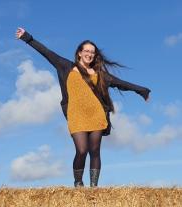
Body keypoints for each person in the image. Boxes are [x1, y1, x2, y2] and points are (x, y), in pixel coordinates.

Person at [16, 27, 151, 187]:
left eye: (92, 52)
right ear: (79, 53)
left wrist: (142, 91)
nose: (89, 54)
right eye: (86, 51)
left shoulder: (100, 74)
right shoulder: (65, 66)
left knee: (95, 152)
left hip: (97, 115)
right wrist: (27, 37)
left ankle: (94, 187)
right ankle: (78, 183)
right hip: (76, 115)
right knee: (81, 150)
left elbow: (120, 83)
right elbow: (46, 52)